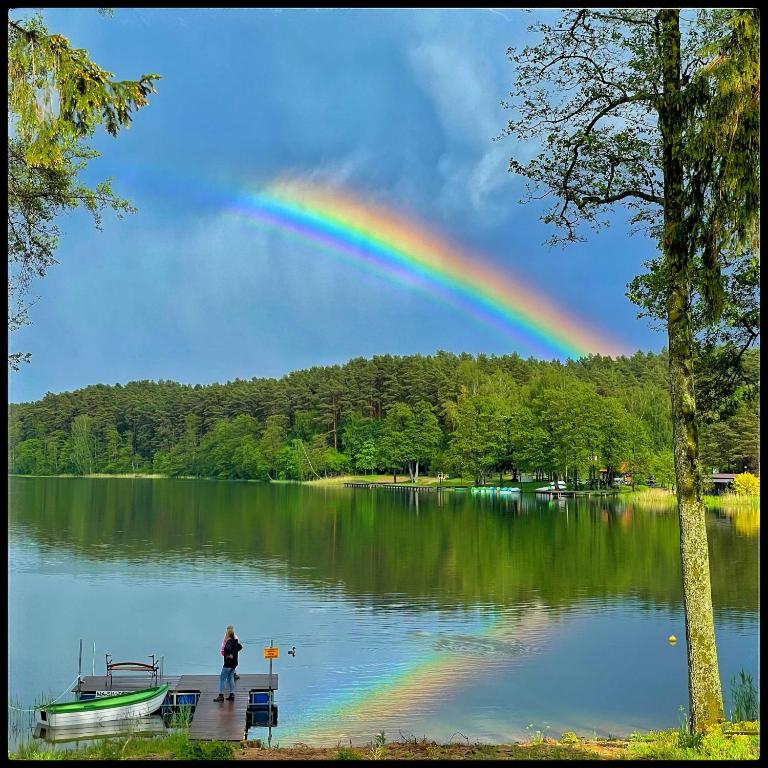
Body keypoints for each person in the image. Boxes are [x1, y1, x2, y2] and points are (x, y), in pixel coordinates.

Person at [214, 625, 243, 702]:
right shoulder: (235, 641)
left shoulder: (228, 642)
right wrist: (234, 653)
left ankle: (221, 696)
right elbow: (240, 647)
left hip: (228, 664)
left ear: (227, 634)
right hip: (234, 663)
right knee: (231, 678)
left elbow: (228, 649)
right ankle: (232, 695)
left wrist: (229, 655)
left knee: (222, 678)